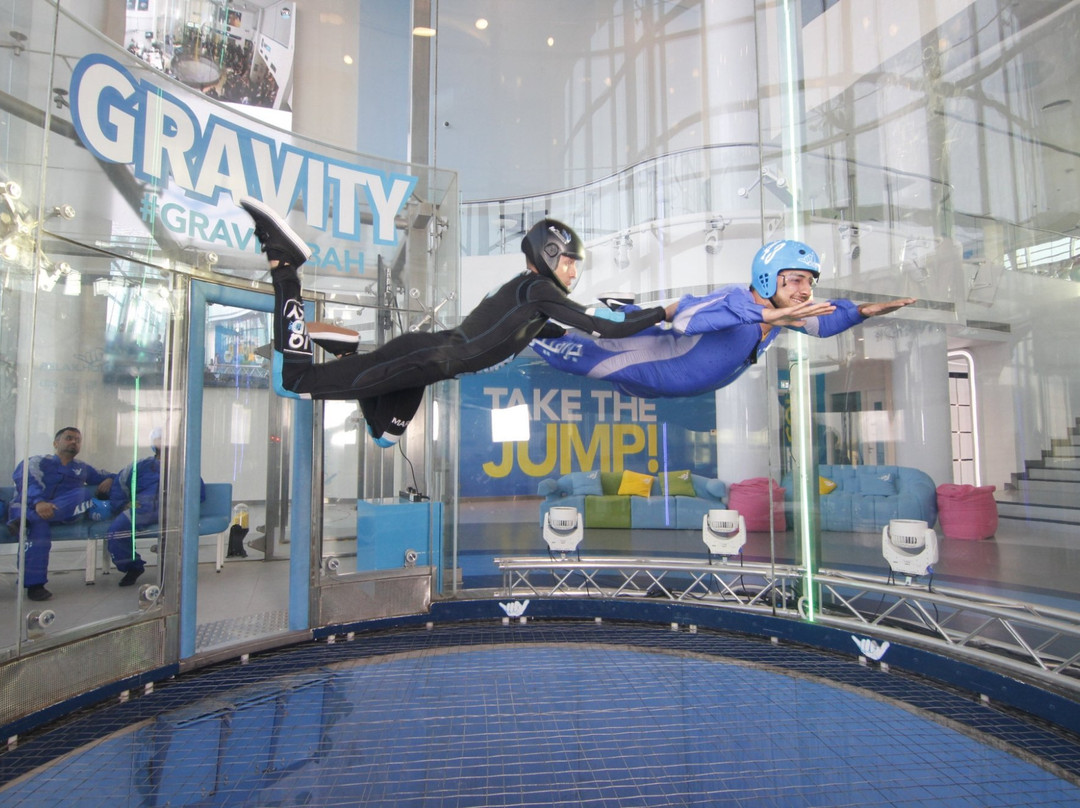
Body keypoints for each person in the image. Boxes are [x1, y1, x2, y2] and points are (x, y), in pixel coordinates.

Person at [240, 198, 674, 446]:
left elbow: (580, 328)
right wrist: (663, 314)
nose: (574, 273)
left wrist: (628, 318)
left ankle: (350, 350)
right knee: (291, 382)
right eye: (570, 263)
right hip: (420, 359)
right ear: (549, 255)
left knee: (383, 436)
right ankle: (285, 265)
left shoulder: (533, 302)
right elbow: (604, 327)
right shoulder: (536, 291)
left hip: (426, 368)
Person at [530, 239, 917, 398]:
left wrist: (862, 312)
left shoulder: (782, 315)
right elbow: (686, 319)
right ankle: (523, 318)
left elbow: (825, 320)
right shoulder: (739, 301)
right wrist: (767, 313)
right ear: (769, 278)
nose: (804, 290)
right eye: (796, 279)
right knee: (559, 347)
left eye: (810, 282)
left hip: (667, 387)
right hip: (645, 359)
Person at [8, 427, 113, 601]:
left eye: (77, 440)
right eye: (69, 438)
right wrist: (39, 502)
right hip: (31, 507)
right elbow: (26, 481)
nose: (74, 442)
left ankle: (26, 520)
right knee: (38, 527)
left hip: (59, 514)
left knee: (84, 493)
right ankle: (35, 586)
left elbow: (114, 476)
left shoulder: (81, 467)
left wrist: (110, 479)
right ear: (56, 443)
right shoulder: (37, 461)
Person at [105, 428, 205, 587]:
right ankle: (132, 568)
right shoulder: (140, 466)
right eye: (160, 439)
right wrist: (123, 505)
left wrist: (183, 508)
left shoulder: (185, 468)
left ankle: (177, 571)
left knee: (181, 533)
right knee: (116, 532)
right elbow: (120, 484)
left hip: (172, 512)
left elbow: (197, 493)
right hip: (141, 510)